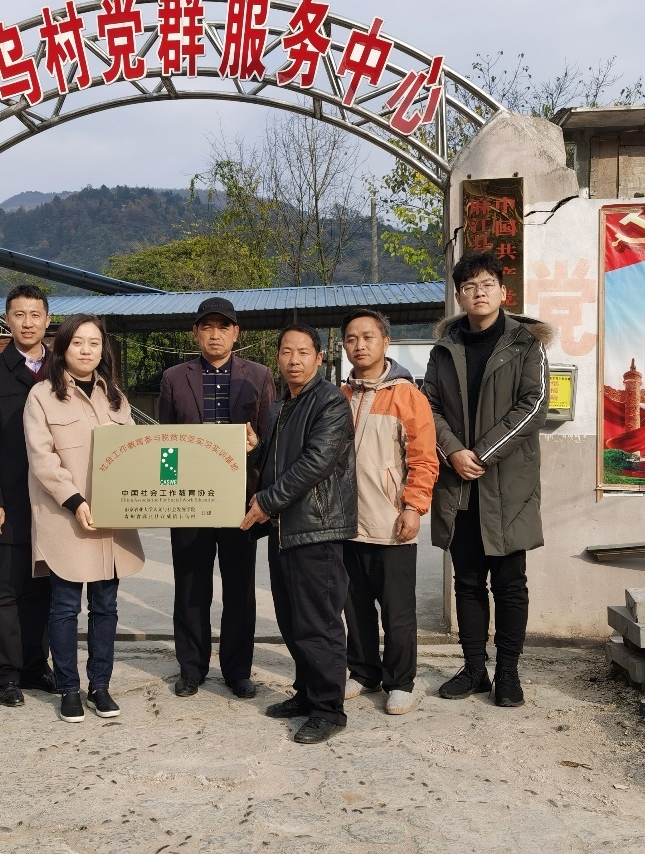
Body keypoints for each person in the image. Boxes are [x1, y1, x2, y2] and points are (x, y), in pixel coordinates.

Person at [422, 250, 551, 708]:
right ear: (459, 295)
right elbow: (427, 407)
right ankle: (474, 669)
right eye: (469, 286)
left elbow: (534, 405)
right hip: (458, 485)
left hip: (508, 485)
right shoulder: (444, 348)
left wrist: (482, 453)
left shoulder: (526, 344)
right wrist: (453, 451)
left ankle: (508, 672)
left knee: (510, 584)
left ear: (502, 291)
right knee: (468, 582)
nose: (478, 292)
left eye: (487, 284)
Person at [25, 314, 145, 723]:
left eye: (94, 343)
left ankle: (100, 686)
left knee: (105, 606)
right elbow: (43, 460)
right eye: (78, 342)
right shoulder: (42, 395)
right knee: (63, 607)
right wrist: (75, 501)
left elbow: (135, 450)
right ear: (62, 348)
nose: (86, 350)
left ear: (102, 349)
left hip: (110, 519)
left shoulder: (115, 397)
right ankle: (68, 689)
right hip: (68, 518)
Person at [241, 323, 357, 744]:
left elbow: (315, 463)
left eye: (303, 352)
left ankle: (329, 709)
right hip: (284, 529)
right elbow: (279, 460)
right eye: (286, 352)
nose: (294, 360)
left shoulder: (330, 401)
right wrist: (257, 448)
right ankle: (307, 693)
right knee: (292, 621)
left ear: (319, 358)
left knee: (318, 623)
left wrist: (265, 502)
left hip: (315, 529)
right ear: (277, 358)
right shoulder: (282, 404)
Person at [158, 297, 275, 700]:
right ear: (195, 333)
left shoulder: (258, 375)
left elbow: (268, 440)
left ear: (236, 333)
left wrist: (260, 479)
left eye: (223, 327)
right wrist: (170, 492)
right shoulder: (175, 377)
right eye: (206, 327)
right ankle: (191, 668)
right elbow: (165, 442)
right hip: (189, 499)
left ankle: (237, 671)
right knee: (191, 586)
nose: (214, 334)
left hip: (240, 499)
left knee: (239, 588)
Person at [340, 309, 439, 716]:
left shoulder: (406, 396)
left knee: (397, 612)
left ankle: (401, 681)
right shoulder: (340, 396)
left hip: (391, 522)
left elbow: (424, 459)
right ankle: (364, 672)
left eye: (368, 337)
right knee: (355, 607)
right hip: (345, 523)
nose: (359, 345)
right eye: (351, 339)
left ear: (385, 342)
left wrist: (413, 507)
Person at [0, 284, 57, 707]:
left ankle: (35, 665)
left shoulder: (63, 369)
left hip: (55, 500)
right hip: (9, 499)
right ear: (7, 319)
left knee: (43, 588)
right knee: (5, 590)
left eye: (35, 314)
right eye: (19, 314)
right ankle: (5, 673)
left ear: (47, 320)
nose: (27, 322)